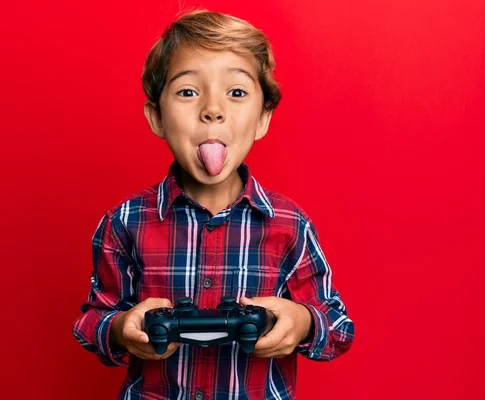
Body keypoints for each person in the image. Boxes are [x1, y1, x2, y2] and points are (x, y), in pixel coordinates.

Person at [72, 9, 354, 400]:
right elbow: (91, 321)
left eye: (236, 92)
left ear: (262, 119)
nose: (212, 109)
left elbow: (339, 327)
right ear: (156, 117)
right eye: (188, 91)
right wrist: (122, 328)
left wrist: (302, 321)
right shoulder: (125, 223)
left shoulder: (290, 225)